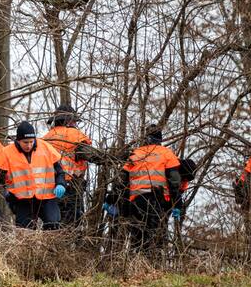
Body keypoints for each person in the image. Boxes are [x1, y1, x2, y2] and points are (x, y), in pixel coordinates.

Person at [107, 124, 181, 255]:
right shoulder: (166, 153)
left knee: (137, 238)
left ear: (146, 138)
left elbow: (121, 181)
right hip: (157, 201)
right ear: (160, 139)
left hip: (136, 202)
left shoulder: (136, 154)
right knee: (156, 238)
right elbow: (175, 181)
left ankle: (136, 263)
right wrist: (177, 203)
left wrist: (110, 200)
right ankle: (153, 264)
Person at [0, 122, 66, 230]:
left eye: (31, 141)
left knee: (53, 225)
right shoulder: (7, 153)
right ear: (18, 140)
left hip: (47, 197)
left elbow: (60, 171)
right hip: (22, 200)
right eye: (25, 142)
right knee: (25, 231)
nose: (29, 145)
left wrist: (61, 184)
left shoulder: (46, 148)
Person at [42, 104, 99, 226]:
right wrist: (111, 158)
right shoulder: (74, 135)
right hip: (70, 187)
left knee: (52, 224)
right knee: (72, 225)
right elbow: (93, 156)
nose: (75, 124)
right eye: (74, 121)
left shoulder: (46, 138)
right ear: (68, 121)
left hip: (48, 188)